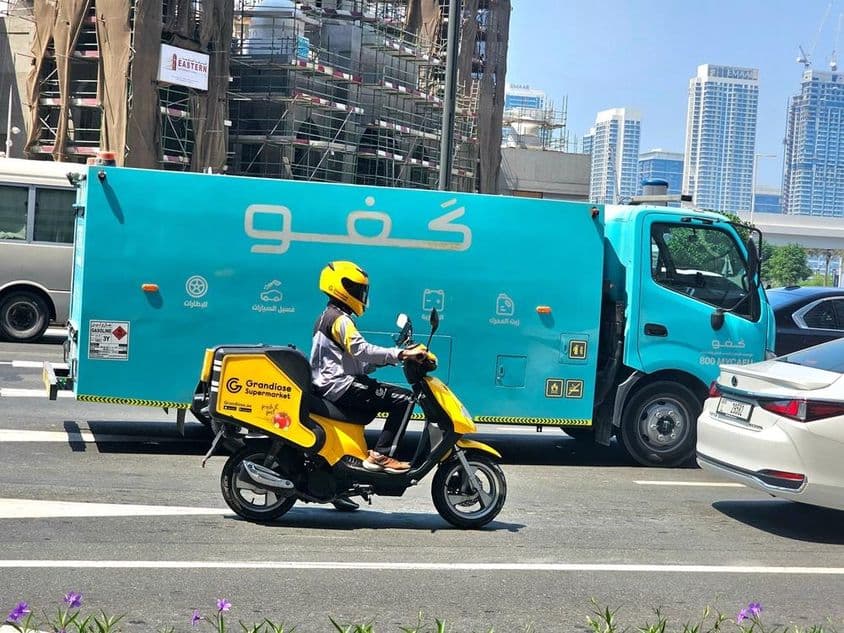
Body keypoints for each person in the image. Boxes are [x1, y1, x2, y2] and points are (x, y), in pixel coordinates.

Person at [310, 260, 426, 474]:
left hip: (331, 384)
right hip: (339, 387)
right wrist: (400, 353)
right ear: (341, 286)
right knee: (405, 399)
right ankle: (382, 455)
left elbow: (354, 361)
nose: (362, 295)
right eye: (357, 289)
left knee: (384, 391)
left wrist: (386, 361)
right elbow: (362, 350)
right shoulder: (340, 320)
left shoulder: (328, 316)